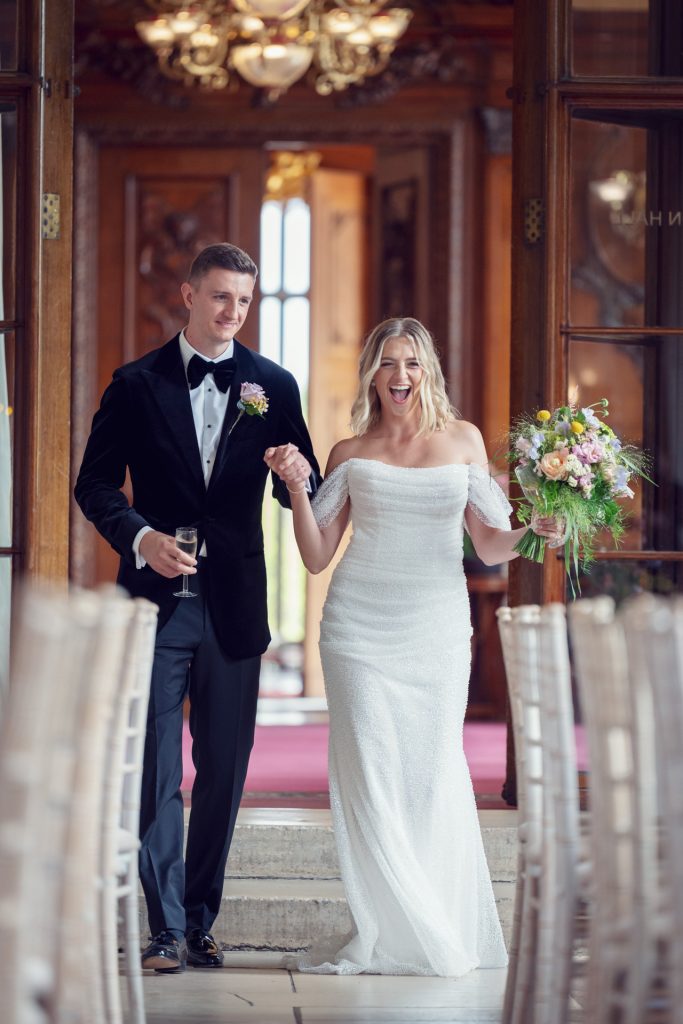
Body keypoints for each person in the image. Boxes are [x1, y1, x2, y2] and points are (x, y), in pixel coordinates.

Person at [264, 316, 560, 977]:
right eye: (389, 363)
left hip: (434, 627)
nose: (400, 376)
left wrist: (530, 531)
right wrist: (293, 487)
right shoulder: (348, 451)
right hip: (356, 628)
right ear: (371, 370)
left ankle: (425, 915)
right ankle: (387, 925)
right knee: (370, 773)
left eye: (412, 364)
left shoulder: (462, 441)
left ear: (428, 372)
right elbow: (316, 558)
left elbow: (487, 544)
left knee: (426, 777)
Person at [75, 243, 320, 972]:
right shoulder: (135, 382)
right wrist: (139, 537)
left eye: (242, 301)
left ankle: (202, 918)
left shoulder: (272, 384)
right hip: (155, 601)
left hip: (235, 603)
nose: (232, 313)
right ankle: (164, 928)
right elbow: (94, 486)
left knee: (224, 765)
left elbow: (299, 484)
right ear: (187, 295)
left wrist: (298, 475)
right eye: (219, 297)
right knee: (155, 766)